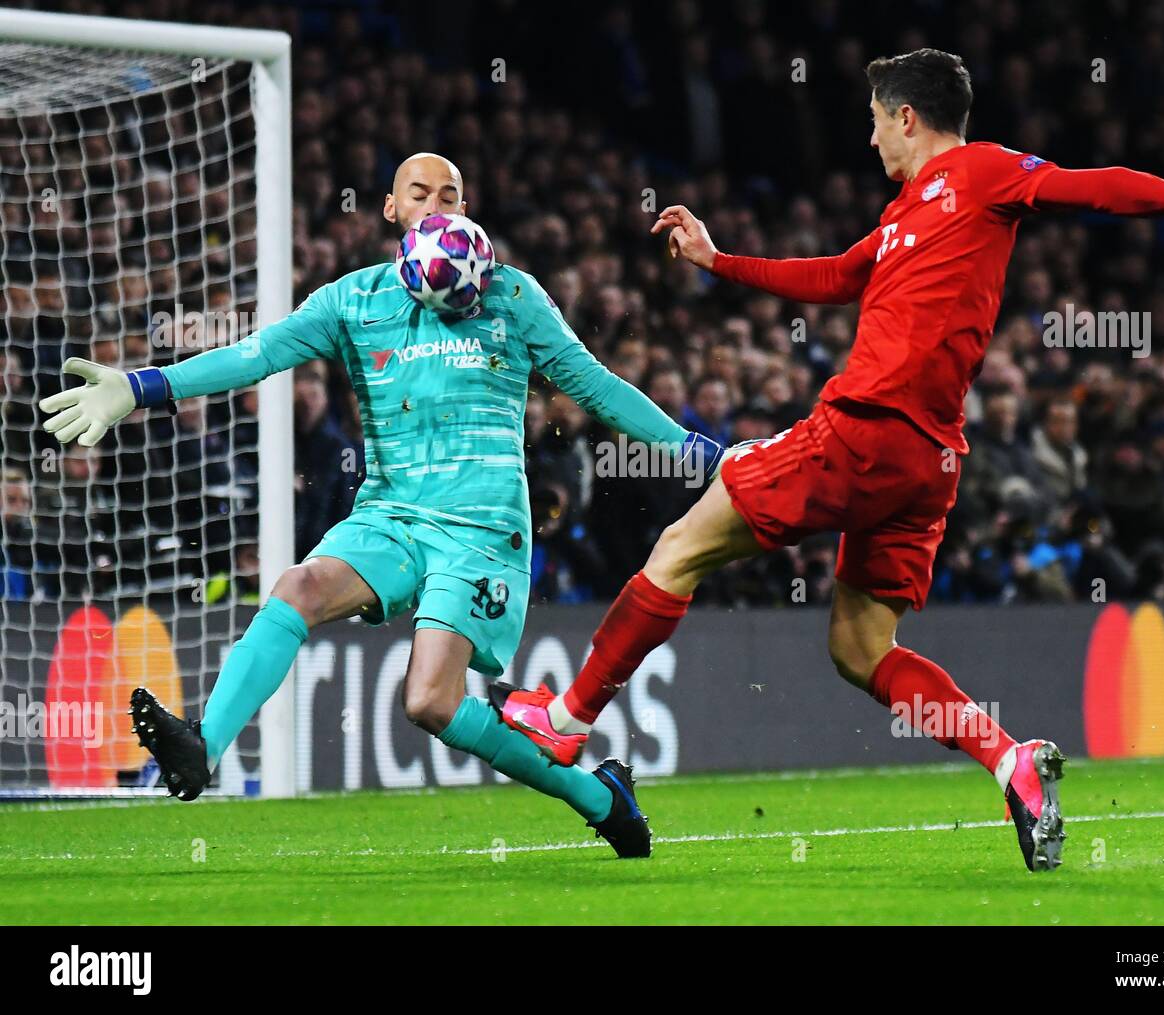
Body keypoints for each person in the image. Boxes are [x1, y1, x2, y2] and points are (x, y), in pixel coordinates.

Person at [492, 48, 1164, 871]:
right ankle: (1010, 761)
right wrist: (720, 261)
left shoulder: (982, 172)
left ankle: (567, 722)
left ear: (905, 117)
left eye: (872, 121)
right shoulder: (903, 218)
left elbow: (1087, 182)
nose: (868, 141)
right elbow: (832, 276)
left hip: (865, 426)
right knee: (860, 647)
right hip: (925, 461)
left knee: (681, 544)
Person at [38, 152, 723, 859]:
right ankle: (202, 747)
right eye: (420, 193)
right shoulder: (353, 302)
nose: (437, 204)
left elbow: (599, 389)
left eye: (451, 194)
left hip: (481, 531)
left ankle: (600, 797)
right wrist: (140, 386)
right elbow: (255, 355)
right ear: (393, 211)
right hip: (390, 516)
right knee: (298, 585)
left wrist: (699, 452)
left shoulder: (512, 298)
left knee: (429, 701)